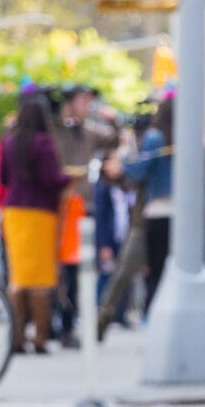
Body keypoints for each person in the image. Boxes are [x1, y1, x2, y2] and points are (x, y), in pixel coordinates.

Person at [0, 87, 67, 353]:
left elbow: (2, 179)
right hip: (40, 214)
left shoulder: (9, 142)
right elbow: (51, 180)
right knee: (40, 279)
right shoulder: (45, 144)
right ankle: (39, 338)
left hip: (14, 213)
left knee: (18, 276)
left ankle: (16, 339)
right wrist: (71, 178)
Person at [51, 86, 117, 345]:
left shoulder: (90, 131)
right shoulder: (54, 128)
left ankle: (69, 324)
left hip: (83, 208)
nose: (88, 106)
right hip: (58, 207)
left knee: (78, 269)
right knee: (56, 270)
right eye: (83, 101)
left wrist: (115, 120)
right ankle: (52, 322)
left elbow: (112, 139)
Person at [127, 95, 174, 308]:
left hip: (157, 209)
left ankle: (153, 312)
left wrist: (126, 155)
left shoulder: (155, 138)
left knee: (154, 268)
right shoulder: (186, 137)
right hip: (182, 213)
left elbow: (138, 171)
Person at [94, 150, 133, 326]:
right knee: (107, 277)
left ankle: (120, 314)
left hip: (124, 238)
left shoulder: (124, 186)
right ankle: (102, 312)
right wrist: (103, 245)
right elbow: (100, 218)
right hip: (109, 240)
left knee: (124, 276)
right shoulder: (102, 187)